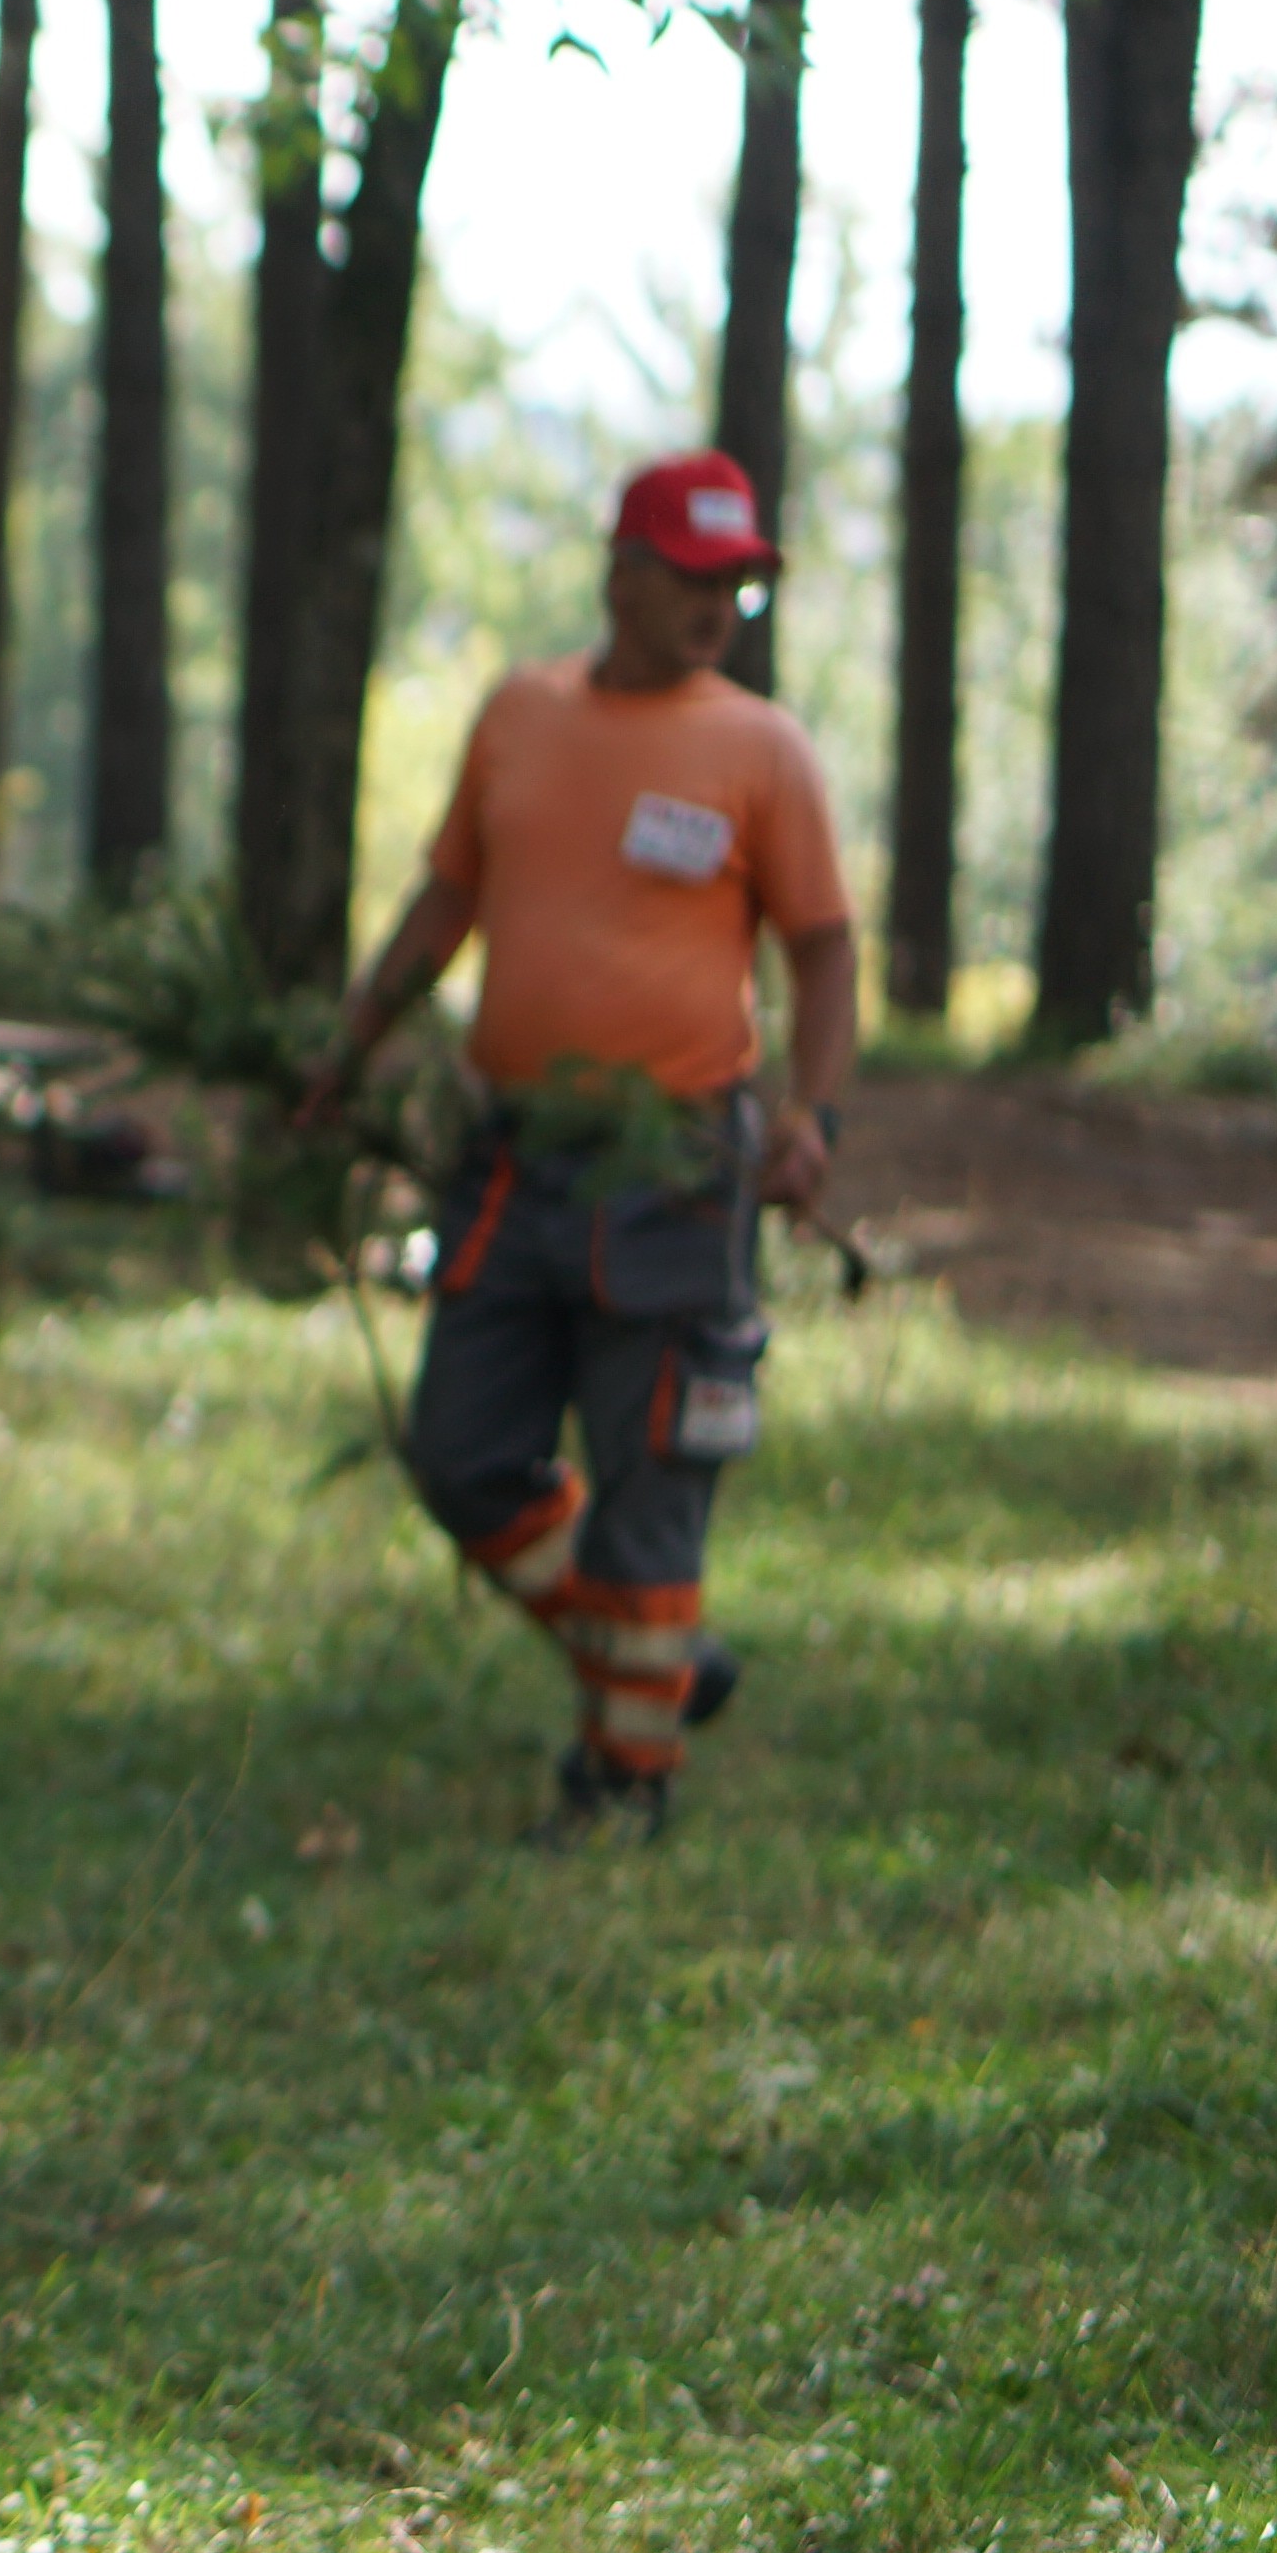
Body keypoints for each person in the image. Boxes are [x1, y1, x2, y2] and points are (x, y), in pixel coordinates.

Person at [295, 450, 854, 1842]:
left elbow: (826, 953)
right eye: (694, 573)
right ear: (622, 568)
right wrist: (351, 1044)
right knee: (463, 1449)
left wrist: (813, 1120)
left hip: (677, 1172)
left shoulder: (760, 750)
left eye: (738, 579)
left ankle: (624, 1784)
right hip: (515, 1156)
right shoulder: (520, 718)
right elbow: (444, 908)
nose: (719, 601)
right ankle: (649, 1663)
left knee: (652, 1481)